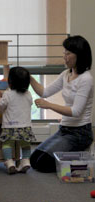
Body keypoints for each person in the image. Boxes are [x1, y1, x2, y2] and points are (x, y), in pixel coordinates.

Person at [30, 35, 94, 173]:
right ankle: (71, 157)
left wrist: (49, 105)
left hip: (80, 133)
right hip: (64, 129)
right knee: (34, 159)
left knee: (42, 164)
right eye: (64, 53)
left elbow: (76, 112)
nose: (65, 57)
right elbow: (44, 92)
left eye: (68, 53)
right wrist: (28, 77)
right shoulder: (66, 74)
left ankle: (78, 158)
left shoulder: (86, 79)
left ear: (79, 55)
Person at [0, 67, 36, 174]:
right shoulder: (28, 94)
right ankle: (26, 160)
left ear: (10, 82)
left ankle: (9, 162)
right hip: (25, 125)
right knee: (25, 144)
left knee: (7, 144)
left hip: (10, 126)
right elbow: (30, 103)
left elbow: (0, 106)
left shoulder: (8, 94)